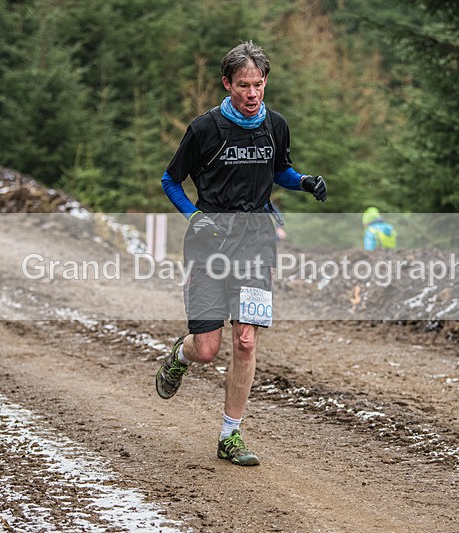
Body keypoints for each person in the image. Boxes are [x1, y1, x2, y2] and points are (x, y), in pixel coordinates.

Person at [156, 41, 327, 466]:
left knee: (246, 341)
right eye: (243, 86)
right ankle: (182, 353)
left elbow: (278, 170)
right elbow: (170, 179)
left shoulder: (275, 125)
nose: (253, 95)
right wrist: (194, 217)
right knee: (208, 349)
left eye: (259, 84)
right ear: (227, 83)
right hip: (209, 246)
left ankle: (230, 435)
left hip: (255, 244)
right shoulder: (204, 129)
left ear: (266, 81)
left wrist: (303, 181)